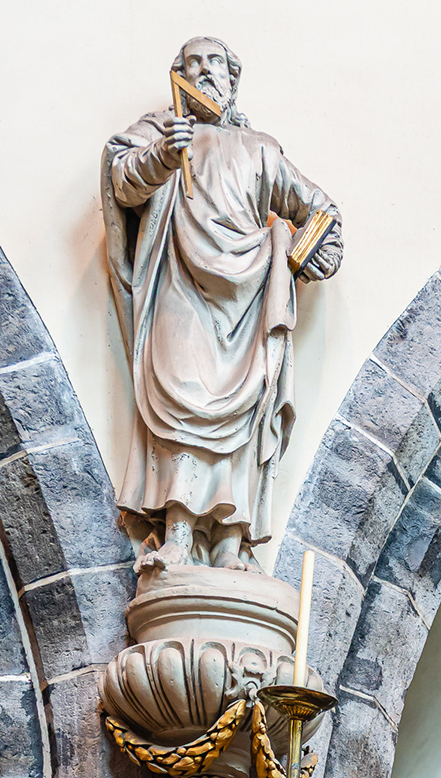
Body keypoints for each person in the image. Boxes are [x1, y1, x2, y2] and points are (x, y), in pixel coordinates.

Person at [103, 35, 344, 568]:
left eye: (214, 62)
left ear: (233, 78)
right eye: (192, 63)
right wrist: (165, 153)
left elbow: (320, 211)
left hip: (248, 296)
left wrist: (315, 251)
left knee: (244, 411)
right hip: (179, 290)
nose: (204, 71)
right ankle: (181, 535)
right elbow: (123, 183)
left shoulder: (259, 147)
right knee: (183, 403)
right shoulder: (160, 134)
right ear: (180, 79)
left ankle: (232, 543)